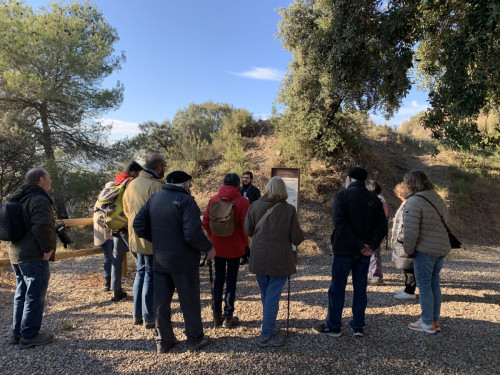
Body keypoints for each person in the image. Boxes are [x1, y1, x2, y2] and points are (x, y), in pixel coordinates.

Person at [133, 170, 216, 353]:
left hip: (160, 259)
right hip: (184, 261)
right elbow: (193, 233)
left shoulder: (154, 199)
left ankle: (163, 341)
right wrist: (208, 248)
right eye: (188, 183)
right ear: (185, 184)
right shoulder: (186, 201)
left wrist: (157, 240)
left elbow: (138, 225)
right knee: (189, 301)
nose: (189, 186)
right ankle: (194, 339)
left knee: (161, 302)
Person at [312, 167, 387, 338]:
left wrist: (359, 244)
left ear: (349, 179)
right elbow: (382, 225)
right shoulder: (374, 199)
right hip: (365, 252)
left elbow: (340, 223)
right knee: (360, 288)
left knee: (337, 287)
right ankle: (358, 326)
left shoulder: (342, 195)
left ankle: (334, 326)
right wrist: (370, 244)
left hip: (344, 249)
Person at [244, 176, 304, 347]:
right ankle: (266, 335)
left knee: (266, 295)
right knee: (272, 297)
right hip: (280, 259)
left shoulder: (255, 205)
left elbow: (248, 230)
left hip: (259, 256)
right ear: (283, 190)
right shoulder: (289, 210)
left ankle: (267, 326)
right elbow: (296, 238)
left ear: (268, 189)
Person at [8, 168, 56, 349]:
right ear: (41, 179)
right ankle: (30, 335)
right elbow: (41, 226)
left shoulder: (18, 197)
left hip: (16, 253)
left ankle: (17, 334)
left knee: (21, 294)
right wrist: (47, 248)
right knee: (35, 296)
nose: (50, 181)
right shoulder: (38, 198)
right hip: (34, 255)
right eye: (49, 178)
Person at [403, 170, 451, 334]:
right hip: (440, 248)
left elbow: (410, 231)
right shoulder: (436, 197)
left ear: (412, 183)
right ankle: (434, 319)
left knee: (424, 285)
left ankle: (427, 322)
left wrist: (408, 250)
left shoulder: (415, 201)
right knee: (433, 283)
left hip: (425, 249)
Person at [123, 154, 166, 328]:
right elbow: (163, 215)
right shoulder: (157, 187)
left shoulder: (132, 184)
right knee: (150, 275)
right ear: (158, 167)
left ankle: (137, 315)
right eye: (164, 166)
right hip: (151, 238)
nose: (165, 169)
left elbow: (126, 210)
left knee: (140, 273)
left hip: (134, 236)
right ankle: (149, 317)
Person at [203, 173, 250, 328]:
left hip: (217, 247)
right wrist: (244, 244)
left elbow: (206, 222)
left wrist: (213, 238)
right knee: (231, 281)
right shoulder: (242, 201)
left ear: (223, 183)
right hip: (235, 247)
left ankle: (216, 315)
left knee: (218, 279)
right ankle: (228, 316)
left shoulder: (214, 199)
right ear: (238, 185)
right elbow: (245, 226)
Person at [108, 161, 144, 303]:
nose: (139, 175)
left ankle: (116, 291)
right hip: (126, 227)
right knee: (139, 259)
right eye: (138, 173)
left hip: (116, 225)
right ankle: (140, 292)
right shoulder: (130, 183)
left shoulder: (117, 181)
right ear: (133, 172)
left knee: (117, 259)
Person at [391, 182, 417, 300]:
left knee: (409, 267)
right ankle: (407, 288)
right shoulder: (407, 203)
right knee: (406, 267)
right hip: (403, 240)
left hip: (406, 240)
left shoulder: (409, 205)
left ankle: (410, 291)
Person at [365, 180, 389, 285]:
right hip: (376, 232)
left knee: (374, 254)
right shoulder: (380, 199)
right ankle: (372, 273)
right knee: (373, 254)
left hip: (375, 233)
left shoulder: (378, 201)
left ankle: (376, 276)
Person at [93, 181, 114, 292]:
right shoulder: (104, 201)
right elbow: (99, 219)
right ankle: (109, 282)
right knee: (110, 259)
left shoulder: (100, 200)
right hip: (107, 235)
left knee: (110, 259)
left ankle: (111, 281)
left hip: (106, 235)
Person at [239, 171, 261, 265]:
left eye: (247, 178)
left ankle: (252, 256)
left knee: (251, 237)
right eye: (244, 178)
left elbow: (258, 204)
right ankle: (243, 256)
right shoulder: (238, 190)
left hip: (251, 217)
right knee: (241, 237)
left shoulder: (255, 191)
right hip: (240, 217)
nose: (245, 179)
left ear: (251, 179)